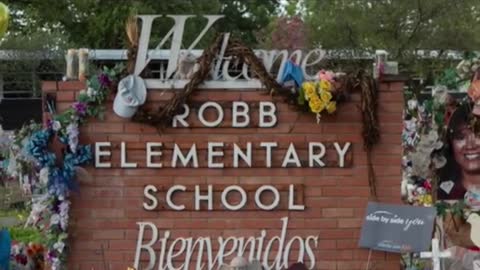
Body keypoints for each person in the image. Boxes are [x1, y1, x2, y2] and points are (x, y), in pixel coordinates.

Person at [438, 102, 480, 201]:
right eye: (460, 137)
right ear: (450, 143)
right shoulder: (443, 193)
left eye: (479, 135)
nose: (471, 144)